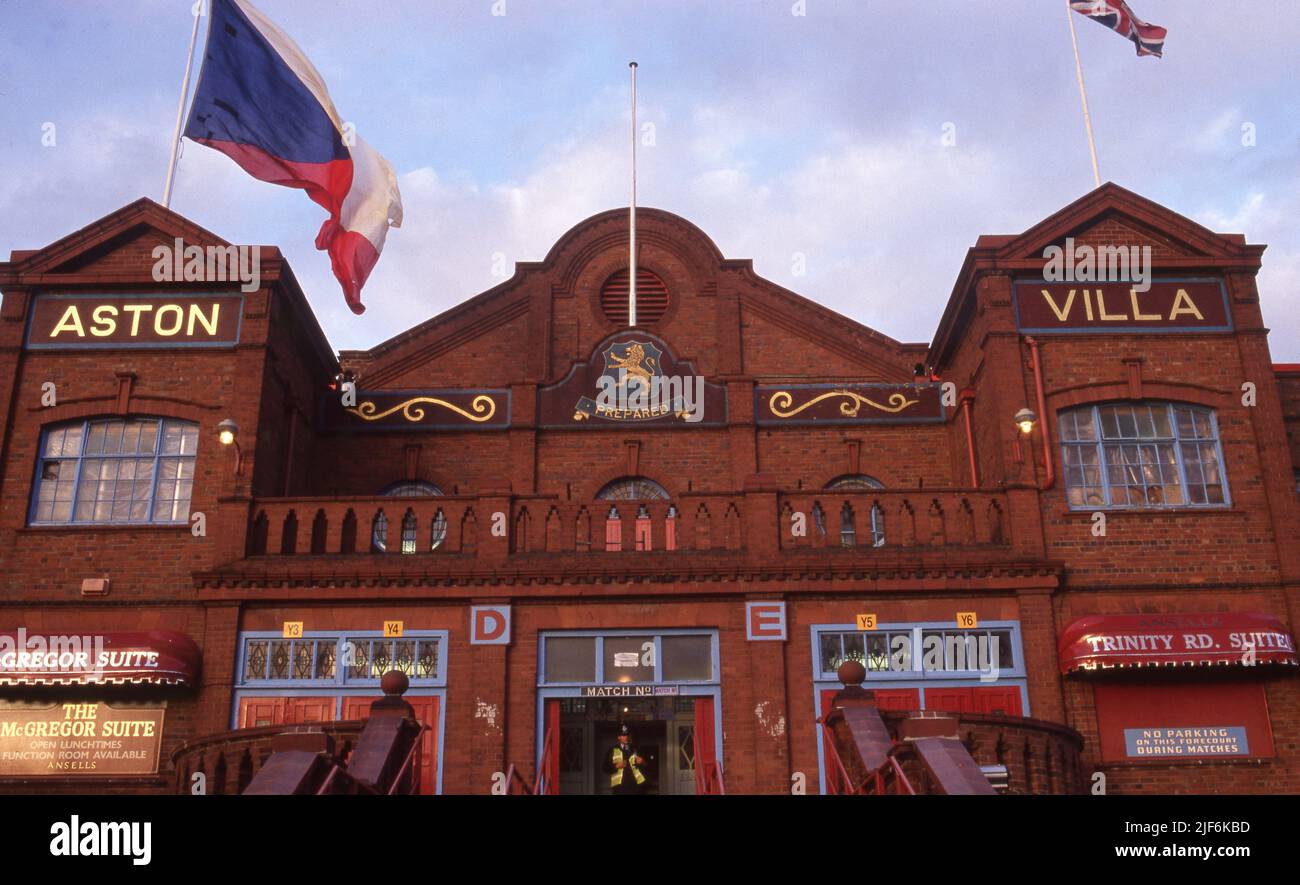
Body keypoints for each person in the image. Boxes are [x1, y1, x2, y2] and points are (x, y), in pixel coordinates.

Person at [605, 722, 648, 795]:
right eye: (623, 735)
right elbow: (605, 768)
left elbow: (646, 766)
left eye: (627, 735)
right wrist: (616, 766)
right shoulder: (612, 750)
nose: (626, 737)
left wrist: (642, 762)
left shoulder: (636, 749)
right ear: (619, 737)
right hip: (619, 789)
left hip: (636, 788)